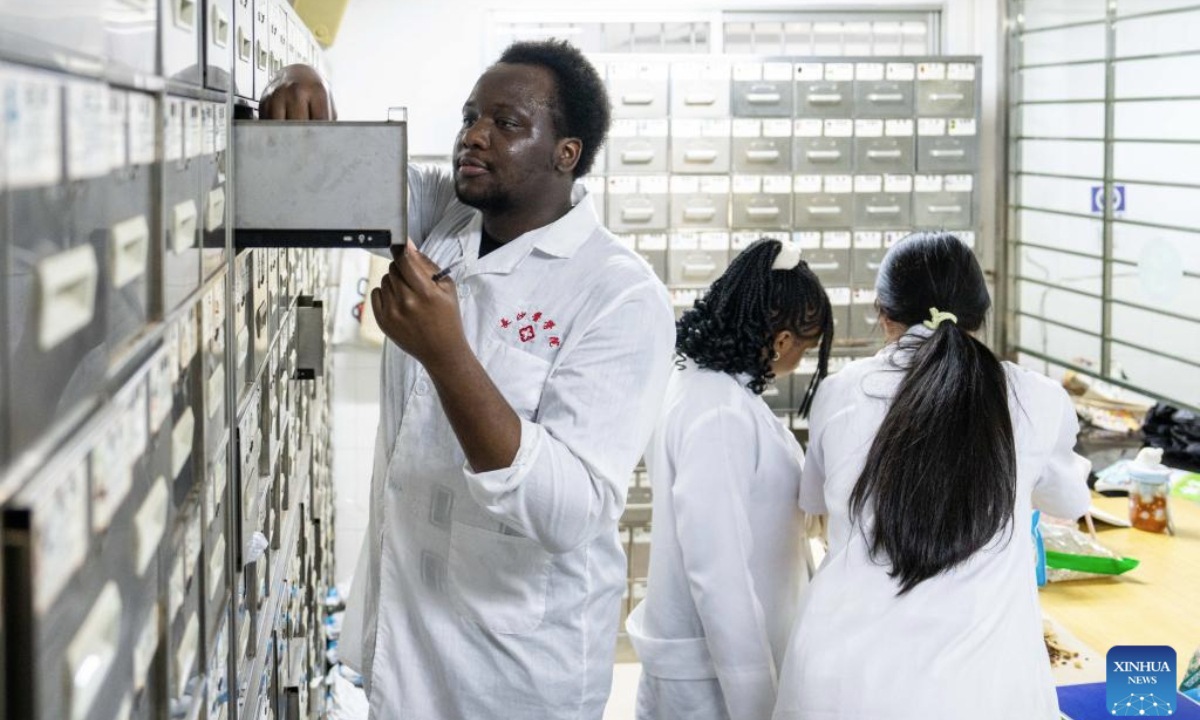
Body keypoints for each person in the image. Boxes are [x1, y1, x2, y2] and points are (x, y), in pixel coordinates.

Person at [260, 41, 676, 719]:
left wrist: (447, 355)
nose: (473, 136)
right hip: (406, 641)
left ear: (566, 154)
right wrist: (300, 78)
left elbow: (568, 509)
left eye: (506, 123)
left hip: (513, 672)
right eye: (470, 116)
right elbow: (327, 173)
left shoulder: (620, 297)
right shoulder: (445, 216)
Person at [772, 232, 1092, 720]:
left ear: (883, 313)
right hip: (977, 691)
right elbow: (1071, 502)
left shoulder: (838, 394)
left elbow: (814, 500)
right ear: (979, 313)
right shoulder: (1036, 398)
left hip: (841, 682)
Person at [627, 238, 834, 720]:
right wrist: (758, 705)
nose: (799, 361)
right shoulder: (717, 412)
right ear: (782, 341)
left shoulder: (705, 386)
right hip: (715, 682)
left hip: (710, 665)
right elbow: (720, 576)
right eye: (804, 348)